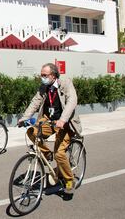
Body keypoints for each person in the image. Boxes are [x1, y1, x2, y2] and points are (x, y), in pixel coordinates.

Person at [18, 63, 82, 194]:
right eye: (41, 75)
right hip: (48, 120)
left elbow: (72, 101)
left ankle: (69, 180)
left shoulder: (66, 83)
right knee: (31, 132)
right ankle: (47, 154)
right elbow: (35, 102)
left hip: (65, 122)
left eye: (44, 75)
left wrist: (63, 119)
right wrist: (24, 118)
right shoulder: (44, 87)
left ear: (53, 75)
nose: (42, 78)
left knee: (60, 154)